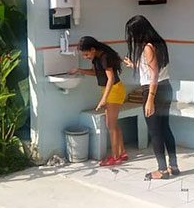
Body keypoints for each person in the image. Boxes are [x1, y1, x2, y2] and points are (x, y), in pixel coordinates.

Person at [124, 15, 179, 181]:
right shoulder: (158, 42)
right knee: (165, 128)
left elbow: (153, 73)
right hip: (165, 87)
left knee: (155, 132)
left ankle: (162, 170)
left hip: (153, 90)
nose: (131, 38)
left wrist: (150, 99)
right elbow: (153, 69)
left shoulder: (147, 47)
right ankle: (173, 166)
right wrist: (134, 65)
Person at [68, 36, 127, 166]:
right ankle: (122, 152)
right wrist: (78, 70)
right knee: (113, 124)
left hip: (114, 91)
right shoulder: (96, 58)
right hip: (110, 90)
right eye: (83, 55)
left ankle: (115, 157)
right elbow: (95, 73)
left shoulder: (105, 57)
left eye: (86, 54)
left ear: (93, 49)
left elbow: (110, 78)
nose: (86, 57)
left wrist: (104, 99)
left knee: (110, 126)